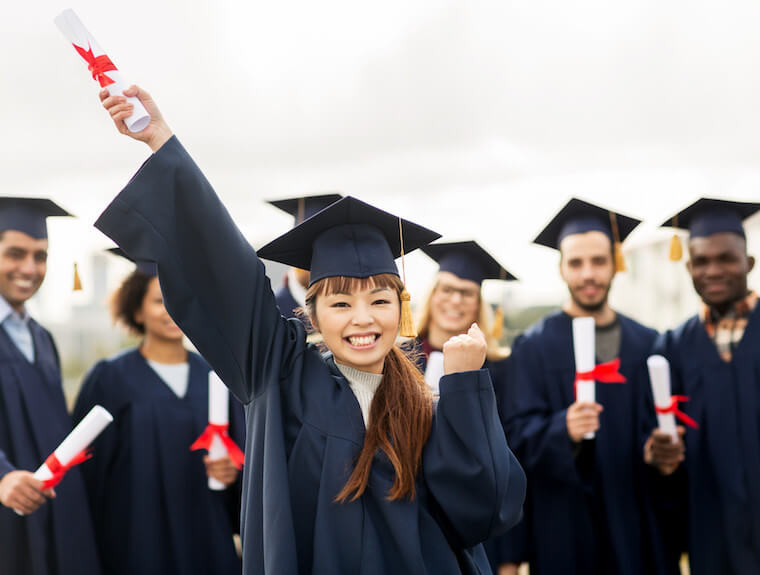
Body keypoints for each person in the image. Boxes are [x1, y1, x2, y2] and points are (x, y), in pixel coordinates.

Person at [92, 84, 526, 575]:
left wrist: (468, 388)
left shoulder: (424, 402)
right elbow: (224, 267)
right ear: (311, 312)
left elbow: (485, 513)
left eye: (380, 300)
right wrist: (161, 141)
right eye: (340, 302)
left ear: (400, 309)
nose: (363, 318)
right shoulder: (279, 374)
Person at [505, 198, 678, 575]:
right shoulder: (534, 347)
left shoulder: (648, 343)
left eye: (599, 261)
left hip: (637, 520)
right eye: (576, 263)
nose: (588, 274)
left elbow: (661, 429)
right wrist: (560, 429)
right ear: (561, 268)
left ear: (615, 263)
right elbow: (514, 440)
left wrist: (658, 450)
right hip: (565, 527)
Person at [73, 248, 245, 574]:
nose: (172, 310)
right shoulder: (110, 378)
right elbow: (86, 477)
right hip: (134, 543)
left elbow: (244, 462)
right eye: (158, 300)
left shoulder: (219, 378)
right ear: (136, 310)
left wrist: (232, 475)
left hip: (205, 539)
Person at [647, 198, 760, 575]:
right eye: (701, 261)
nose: (713, 270)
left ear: (749, 264)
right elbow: (658, 440)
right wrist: (658, 453)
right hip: (712, 532)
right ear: (689, 267)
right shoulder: (673, 347)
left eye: (726, 258)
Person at [0, 197, 101, 575]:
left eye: (40, 256)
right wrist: (2, 476)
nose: (29, 268)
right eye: (15, 253)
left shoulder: (42, 339)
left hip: (52, 515)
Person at [415, 240, 526, 575]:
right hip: (413, 517)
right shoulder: (401, 358)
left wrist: (509, 556)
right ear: (432, 294)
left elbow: (507, 465)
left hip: (476, 525)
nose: (455, 300)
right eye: (447, 289)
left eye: (466, 293)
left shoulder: (500, 370)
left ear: (479, 304)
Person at [266, 194, 342, 319]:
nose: (319, 260)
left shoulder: (352, 310)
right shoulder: (270, 314)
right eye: (309, 250)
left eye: (329, 250)